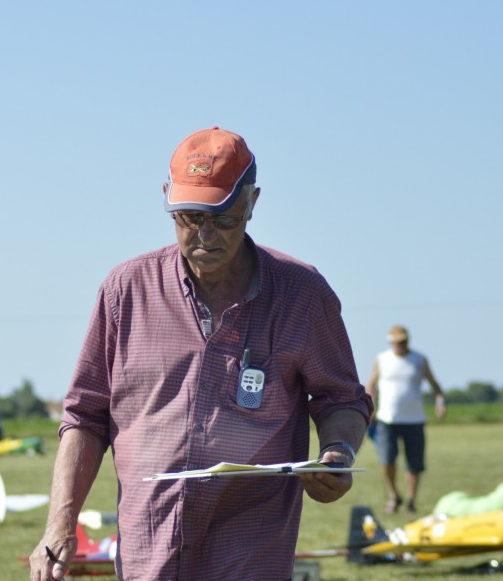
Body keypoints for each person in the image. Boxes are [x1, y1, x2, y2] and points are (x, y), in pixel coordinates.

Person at [29, 127, 373, 581]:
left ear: (252, 203)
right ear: (167, 199)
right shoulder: (125, 291)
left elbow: (342, 399)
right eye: (189, 216)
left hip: (249, 556)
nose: (204, 234)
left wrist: (337, 454)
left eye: (223, 218)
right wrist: (60, 524)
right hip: (148, 555)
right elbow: (86, 418)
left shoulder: (302, 296)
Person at [366, 325, 446, 514]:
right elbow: (371, 385)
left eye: (404, 342)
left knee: (414, 463)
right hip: (387, 419)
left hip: (415, 420)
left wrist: (440, 401)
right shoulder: (382, 359)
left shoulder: (419, 359)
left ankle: (411, 499)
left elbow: (434, 384)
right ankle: (394, 495)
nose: (401, 345)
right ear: (390, 342)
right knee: (387, 460)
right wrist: (372, 407)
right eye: (398, 342)